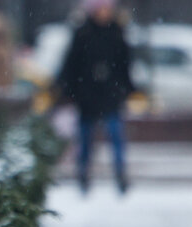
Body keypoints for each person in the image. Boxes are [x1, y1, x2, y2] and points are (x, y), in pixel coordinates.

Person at [57, 0, 135, 194]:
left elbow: (124, 64)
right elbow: (71, 64)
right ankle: (83, 173)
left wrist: (128, 88)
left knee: (115, 135)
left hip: (111, 94)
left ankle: (120, 173)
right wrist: (68, 89)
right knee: (85, 138)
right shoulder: (83, 34)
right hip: (88, 96)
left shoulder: (117, 33)